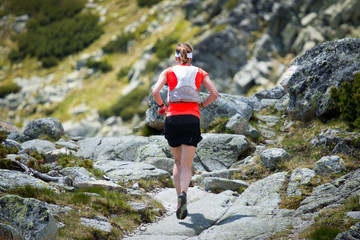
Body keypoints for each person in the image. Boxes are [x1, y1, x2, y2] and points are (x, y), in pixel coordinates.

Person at [152, 42, 219, 220]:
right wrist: (201, 106)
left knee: (177, 161)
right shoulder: (199, 72)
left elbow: (155, 91)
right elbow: (214, 94)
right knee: (187, 164)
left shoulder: (168, 71)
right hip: (191, 119)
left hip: (172, 118)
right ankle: (184, 195)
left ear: (176, 57)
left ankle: (178, 199)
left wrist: (162, 106)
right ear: (191, 57)